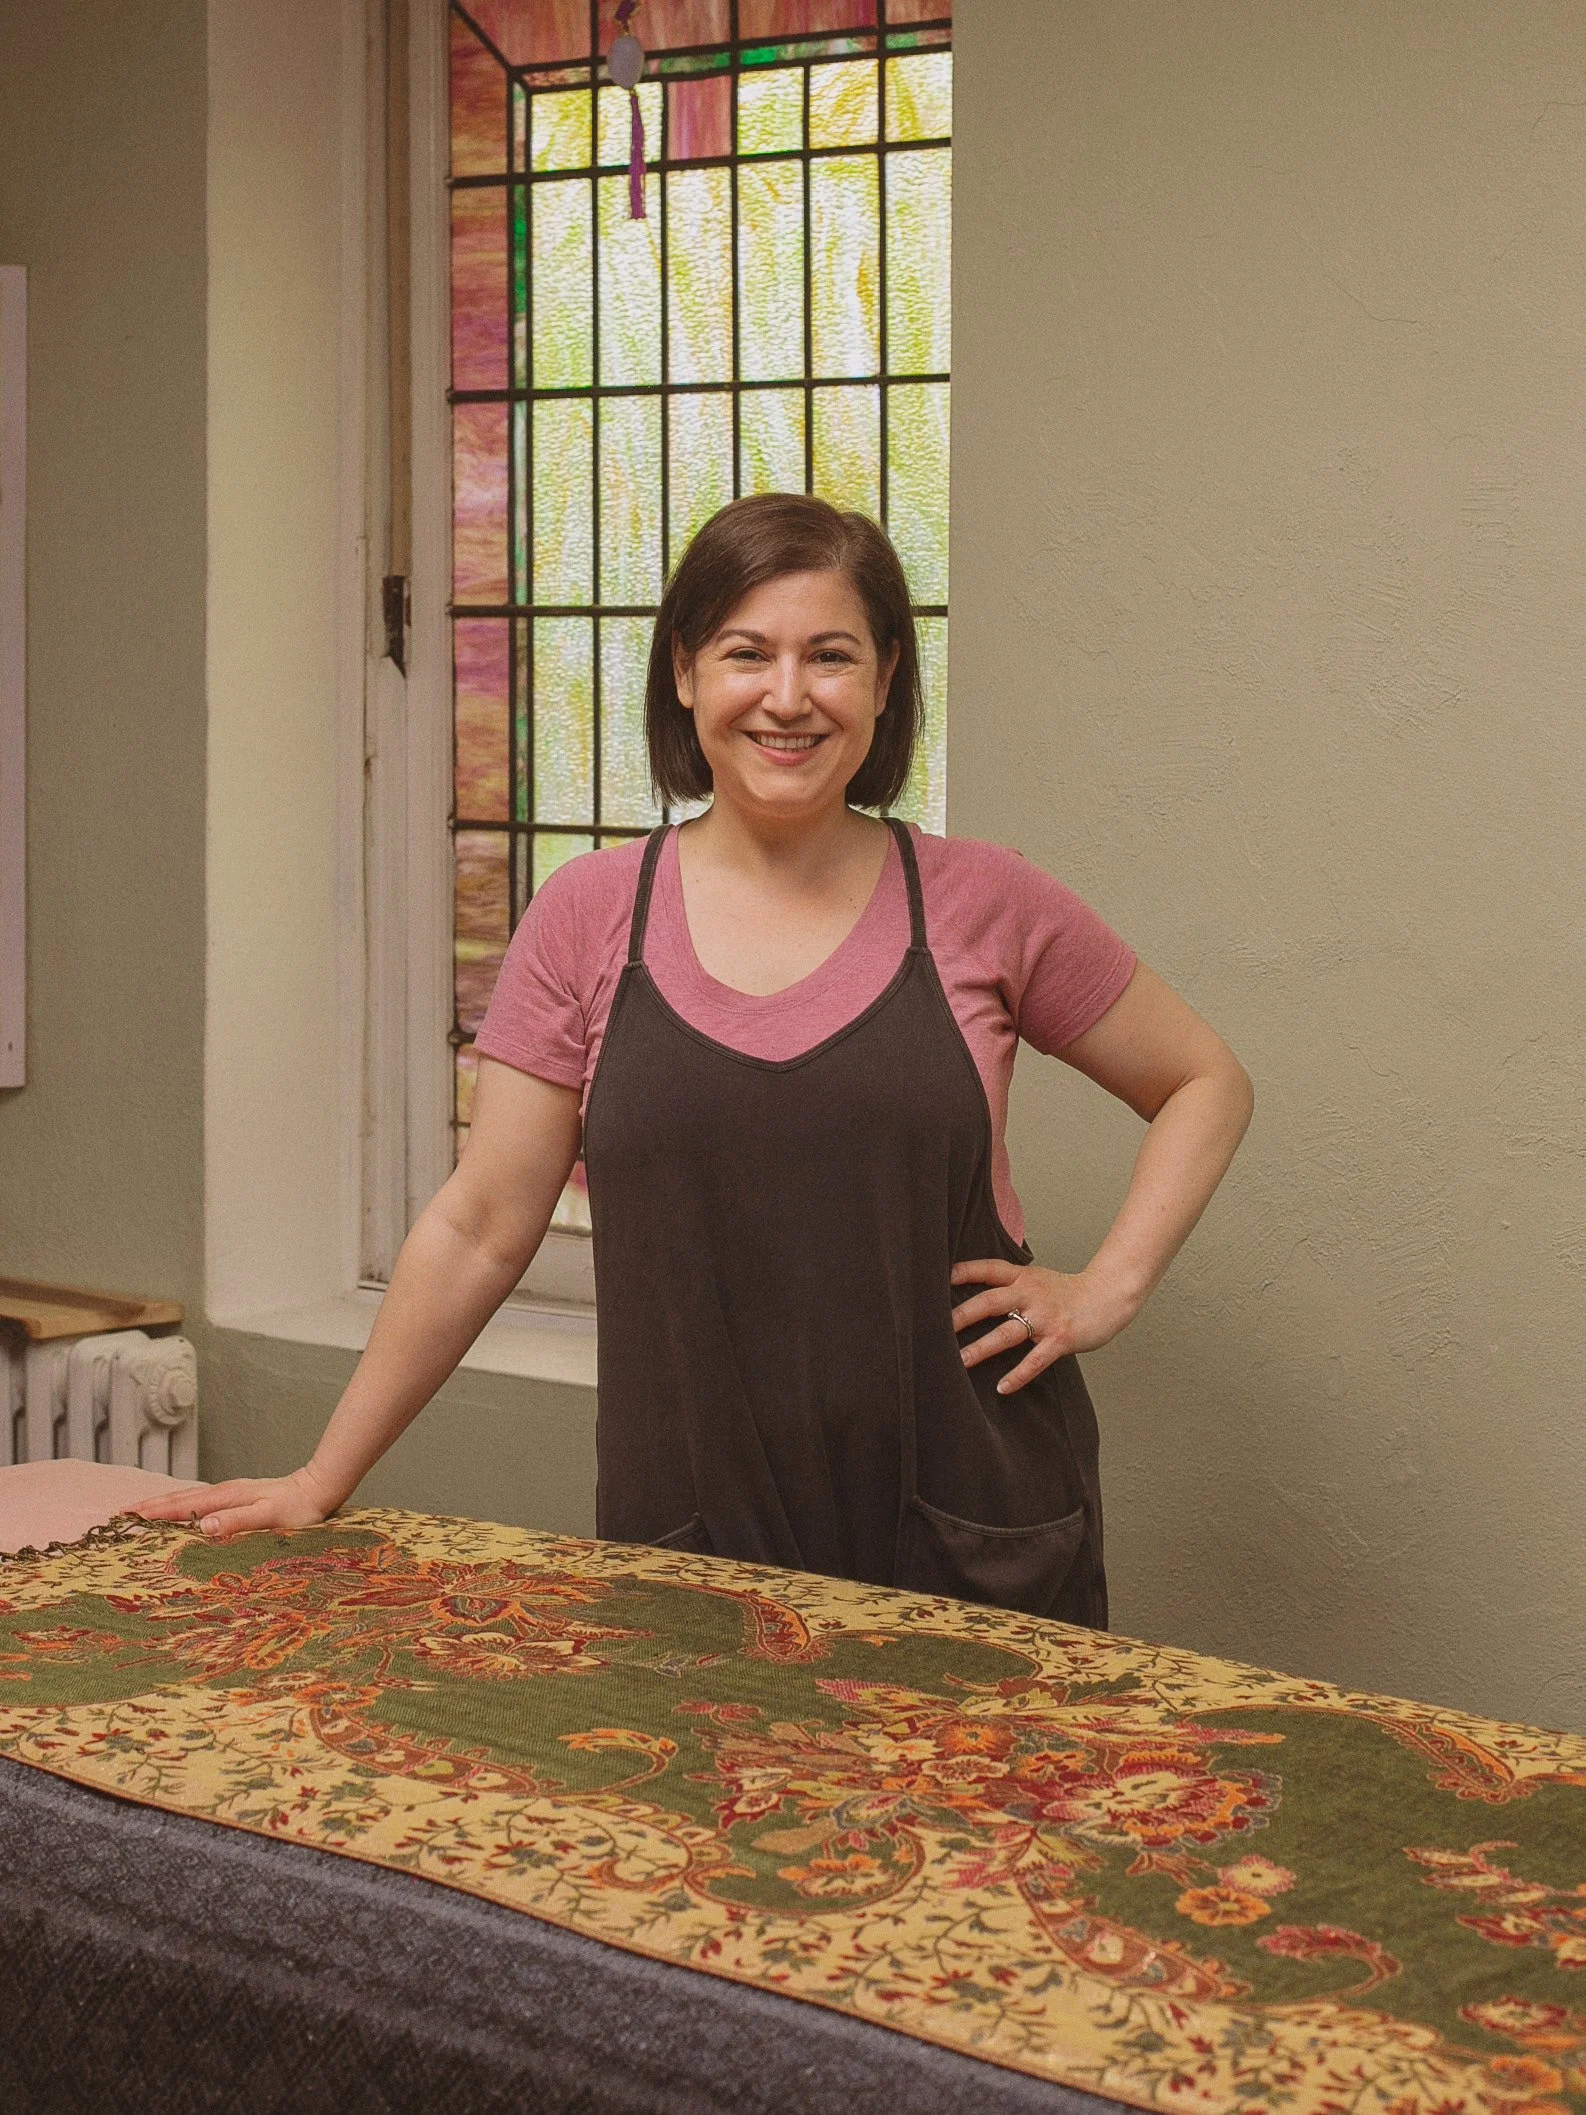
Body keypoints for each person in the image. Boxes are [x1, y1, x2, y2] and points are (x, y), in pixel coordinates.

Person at [140, 494, 1253, 1625]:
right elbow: (480, 1225)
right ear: (684, 673)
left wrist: (1102, 1288)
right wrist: (319, 1480)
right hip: (691, 1540)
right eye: (744, 653)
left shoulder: (985, 902)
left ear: (883, 678)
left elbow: (1202, 1082)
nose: (786, 696)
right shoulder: (584, 917)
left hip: (976, 1524)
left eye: (829, 656)